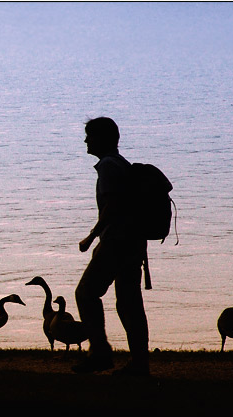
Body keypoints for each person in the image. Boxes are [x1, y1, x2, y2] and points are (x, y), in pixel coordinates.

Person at [72, 117, 150, 376]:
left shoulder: (108, 166)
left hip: (117, 242)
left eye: (89, 136)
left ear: (102, 139)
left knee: (86, 293)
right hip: (133, 243)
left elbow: (112, 206)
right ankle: (139, 364)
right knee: (129, 303)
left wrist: (92, 236)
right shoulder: (121, 164)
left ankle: (100, 353)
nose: (85, 140)